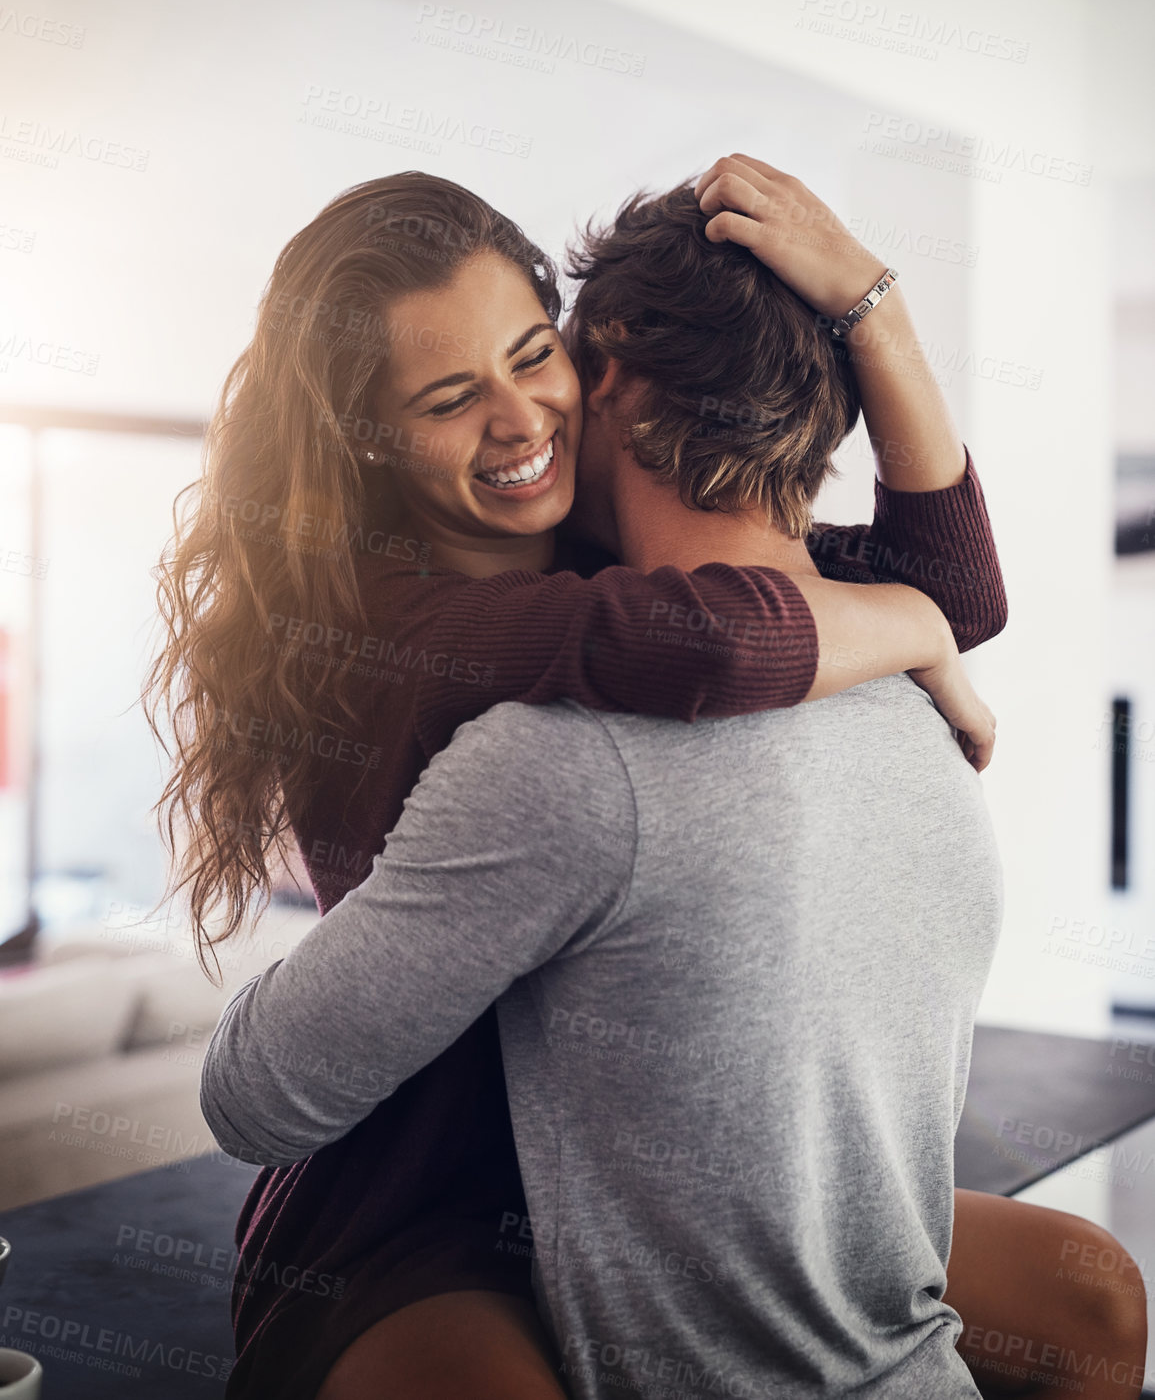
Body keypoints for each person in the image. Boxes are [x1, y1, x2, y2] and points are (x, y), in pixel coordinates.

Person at [148, 158, 1141, 1395]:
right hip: (430, 1195)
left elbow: (956, 585)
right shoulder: (394, 626)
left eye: (530, 355)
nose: (518, 420)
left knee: (1086, 1295)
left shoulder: (588, 544)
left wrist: (873, 311)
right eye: (451, 396)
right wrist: (913, 630)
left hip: (637, 1154)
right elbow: (724, 637)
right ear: (369, 441)